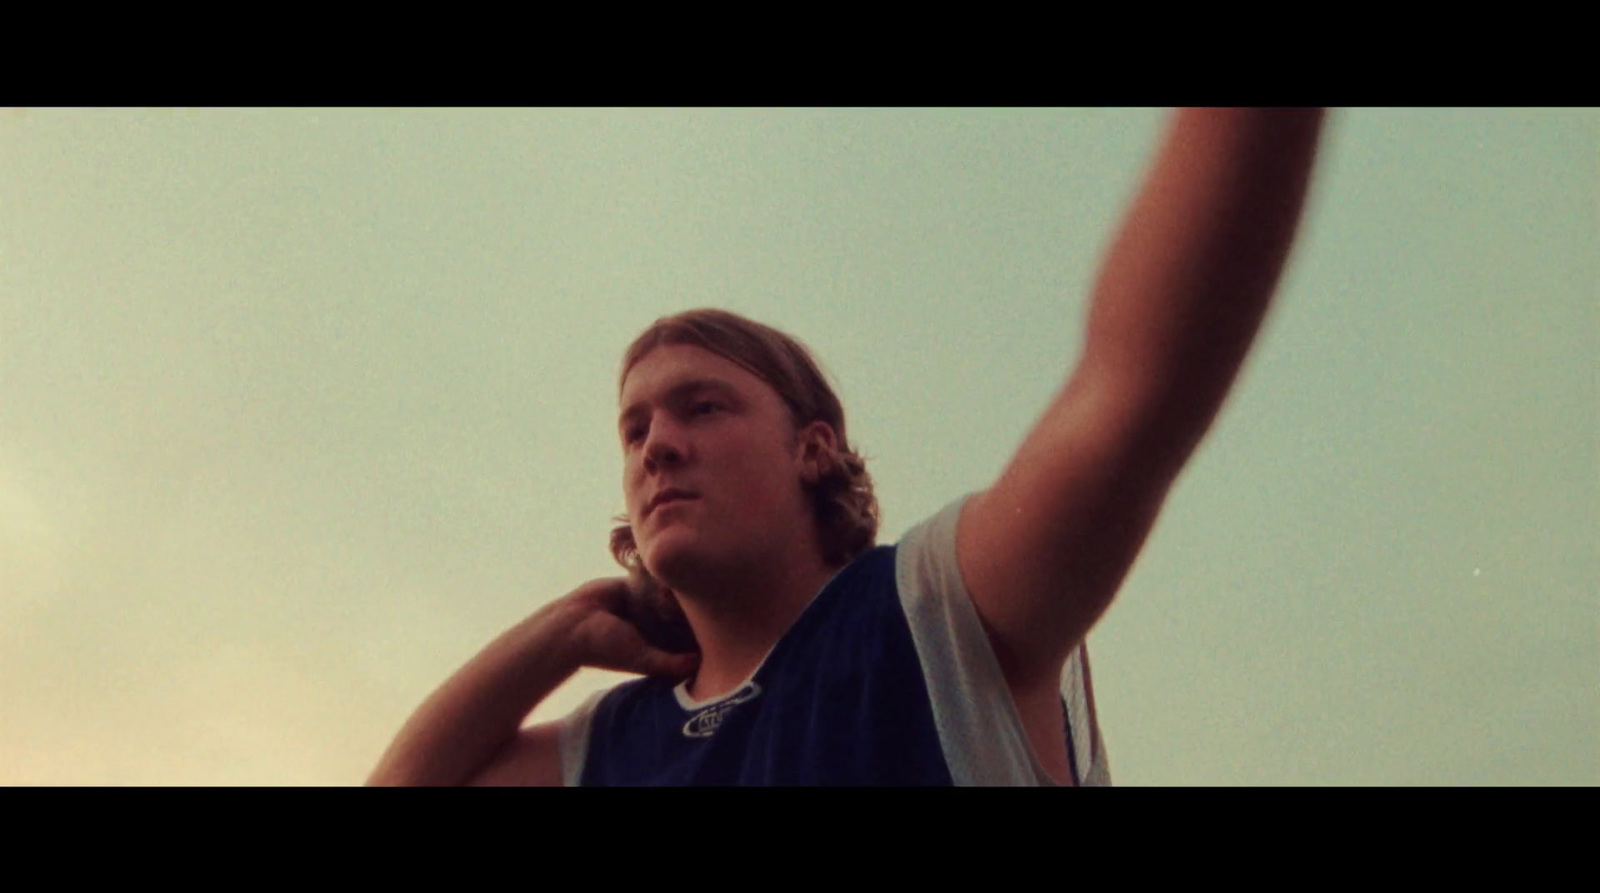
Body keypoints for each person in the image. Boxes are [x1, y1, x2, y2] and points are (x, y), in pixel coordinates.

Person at [368, 108, 1327, 786]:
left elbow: (1136, 389)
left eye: (702, 407)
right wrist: (565, 631)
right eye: (636, 427)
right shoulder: (612, 744)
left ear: (813, 448)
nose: (658, 445)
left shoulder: (941, 607)